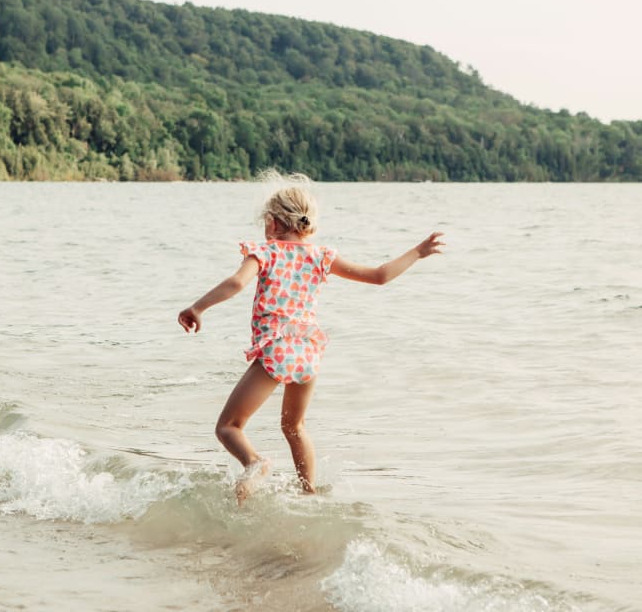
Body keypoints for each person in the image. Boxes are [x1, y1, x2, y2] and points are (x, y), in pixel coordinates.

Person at [177, 172, 444, 504]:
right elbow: (379, 276)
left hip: (277, 349)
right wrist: (417, 252)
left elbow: (235, 283)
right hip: (308, 352)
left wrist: (198, 307)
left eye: (265, 224)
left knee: (228, 427)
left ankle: (254, 463)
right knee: (294, 427)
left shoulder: (265, 252)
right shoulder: (321, 257)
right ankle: (310, 493)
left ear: (274, 224)